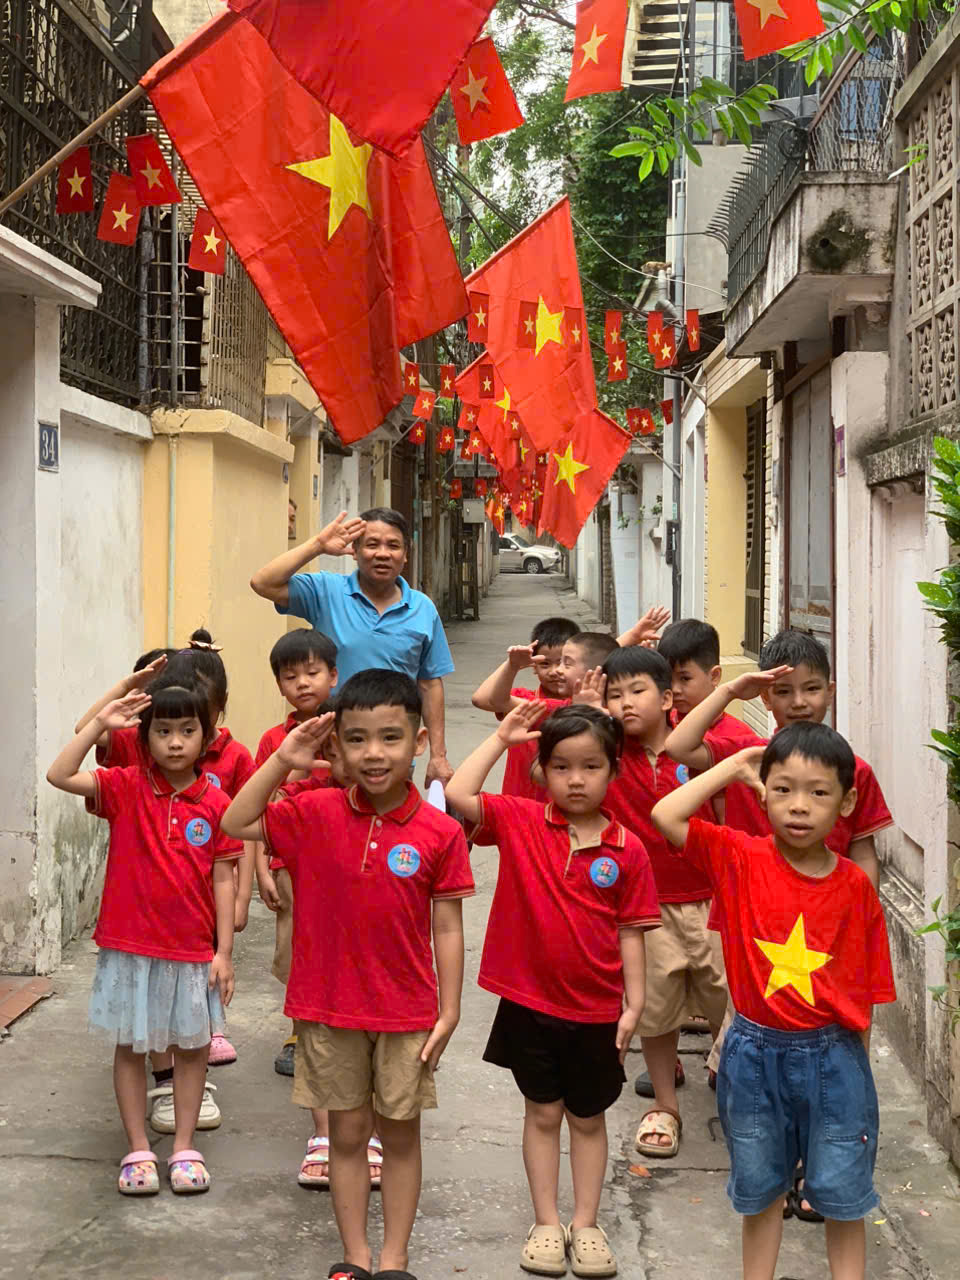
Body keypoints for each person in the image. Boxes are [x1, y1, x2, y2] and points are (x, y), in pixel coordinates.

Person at [222, 669, 474, 1280]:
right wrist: (284, 760)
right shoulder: (312, 812)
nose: (374, 754)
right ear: (336, 746)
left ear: (418, 742)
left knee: (402, 1135)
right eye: (356, 739)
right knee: (347, 1133)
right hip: (329, 1005)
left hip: (407, 1011)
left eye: (390, 737)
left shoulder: (440, 832)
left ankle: (394, 1260)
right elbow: (235, 819)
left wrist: (449, 1010)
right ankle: (356, 1257)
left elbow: (447, 926)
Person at [651, 723, 896, 1280]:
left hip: (835, 1057)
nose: (799, 806)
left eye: (818, 792)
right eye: (782, 789)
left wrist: (857, 1073)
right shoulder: (739, 857)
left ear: (847, 802)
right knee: (760, 1190)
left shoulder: (855, 886)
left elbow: (867, 990)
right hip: (753, 1053)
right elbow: (666, 814)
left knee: (842, 1195)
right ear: (762, 794)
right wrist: (735, 767)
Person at [447, 703, 659, 1279]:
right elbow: (459, 794)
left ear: (613, 771)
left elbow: (632, 931)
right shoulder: (519, 820)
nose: (576, 780)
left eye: (591, 766)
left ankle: (586, 1224)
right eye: (561, 767)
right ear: (541, 771)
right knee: (541, 1113)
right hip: (529, 1003)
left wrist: (635, 1003)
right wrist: (500, 738)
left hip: (597, 1009)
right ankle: (545, 1221)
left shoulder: (628, 849)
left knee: (588, 1119)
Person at [46, 683, 241, 1196]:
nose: (175, 742)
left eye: (187, 731)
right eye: (163, 731)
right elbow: (59, 774)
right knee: (131, 1046)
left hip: (193, 950)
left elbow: (224, 879)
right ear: (144, 738)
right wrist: (99, 723)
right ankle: (137, 1148)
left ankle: (183, 1148)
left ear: (207, 737)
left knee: (193, 1048)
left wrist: (223, 952)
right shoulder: (125, 786)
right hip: (129, 948)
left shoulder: (217, 802)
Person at [590, 647, 727, 1160]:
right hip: (646, 908)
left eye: (637, 691)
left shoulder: (696, 749)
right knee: (656, 1010)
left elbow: (725, 813)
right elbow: (546, 772)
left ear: (668, 698)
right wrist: (591, 716)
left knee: (729, 1002)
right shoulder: (608, 756)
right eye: (615, 694)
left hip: (712, 899)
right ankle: (665, 1106)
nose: (625, 703)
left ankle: (737, 1093)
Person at [664, 629, 892, 890]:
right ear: (766, 698)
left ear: (830, 692)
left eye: (812, 689)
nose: (799, 702)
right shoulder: (747, 757)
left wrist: (865, 908)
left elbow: (863, 853)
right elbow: (677, 747)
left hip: (826, 904)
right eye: (783, 691)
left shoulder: (855, 769)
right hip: (749, 901)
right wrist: (729, 691)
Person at [250, 508, 456, 788]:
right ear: (355, 551)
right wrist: (317, 545)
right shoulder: (326, 591)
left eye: (393, 545)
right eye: (372, 544)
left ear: (406, 554)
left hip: (392, 756)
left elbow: (430, 684)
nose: (382, 553)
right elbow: (263, 583)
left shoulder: (423, 609)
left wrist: (438, 756)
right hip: (332, 755)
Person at [254, 627, 340, 1080]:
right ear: (279, 685)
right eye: (290, 677)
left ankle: (340, 1024)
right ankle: (298, 1030)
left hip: (342, 862)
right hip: (289, 862)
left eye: (313, 672)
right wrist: (261, 869)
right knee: (294, 947)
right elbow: (257, 808)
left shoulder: (349, 729)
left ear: (333, 675)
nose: (303, 683)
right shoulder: (274, 741)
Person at [471, 616, 579, 802]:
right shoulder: (524, 698)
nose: (554, 671)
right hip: (520, 801)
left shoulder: (583, 705)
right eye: (545, 664)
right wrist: (512, 665)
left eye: (562, 663)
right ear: (533, 667)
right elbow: (480, 699)